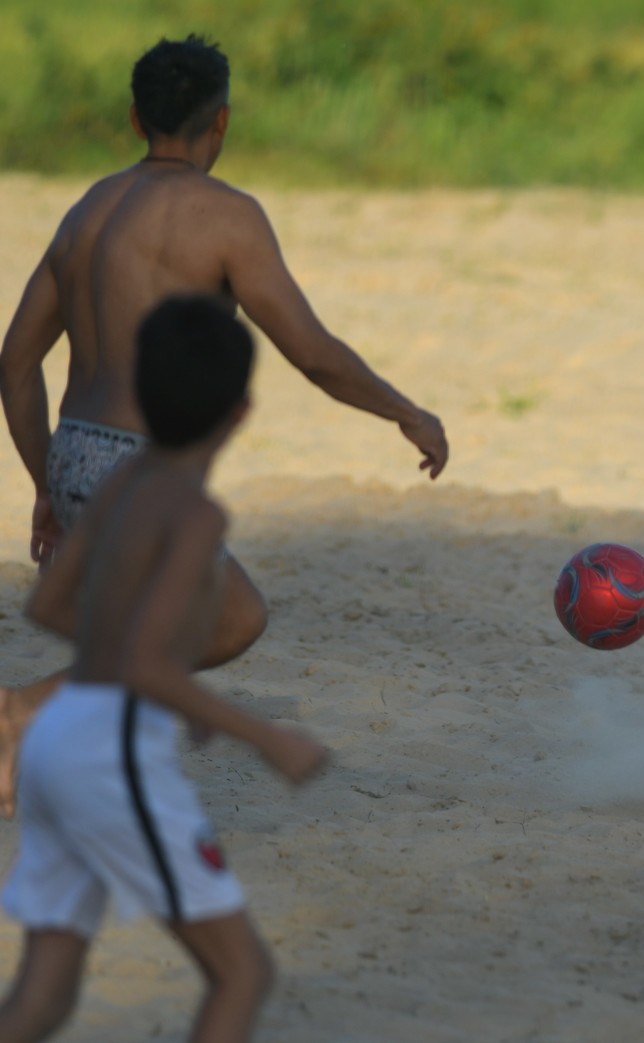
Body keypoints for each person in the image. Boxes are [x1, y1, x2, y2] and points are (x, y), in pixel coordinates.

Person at [0, 35, 448, 815]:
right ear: (223, 123)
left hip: (77, 452)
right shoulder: (228, 217)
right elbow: (311, 353)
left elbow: (13, 362)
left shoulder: (89, 211)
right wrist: (405, 411)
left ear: (137, 117)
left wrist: (47, 478)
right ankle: (19, 712)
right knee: (231, 619)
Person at [0, 295, 328, 1043]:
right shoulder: (194, 514)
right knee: (241, 974)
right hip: (106, 761)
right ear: (241, 412)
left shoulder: (115, 487)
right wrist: (265, 736)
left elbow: (49, 605)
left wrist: (130, 659)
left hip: (51, 752)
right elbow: (151, 665)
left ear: (141, 393)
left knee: (42, 999)